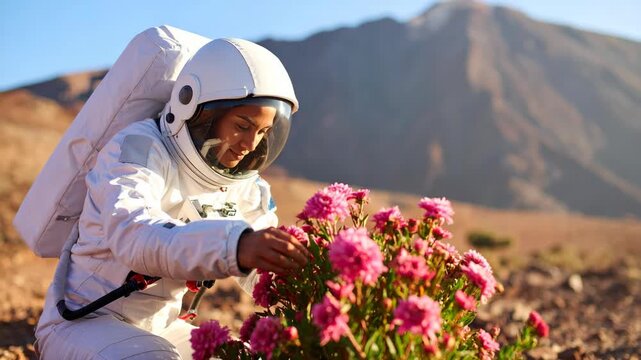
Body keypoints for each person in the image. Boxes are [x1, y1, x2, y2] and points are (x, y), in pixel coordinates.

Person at [35, 37, 310, 359]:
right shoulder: (138, 148)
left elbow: (264, 260)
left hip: (161, 326)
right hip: (85, 322)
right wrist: (236, 246)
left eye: (263, 132)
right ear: (197, 109)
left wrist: (313, 279)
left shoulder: (247, 186)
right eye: (242, 125)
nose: (251, 143)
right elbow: (134, 234)